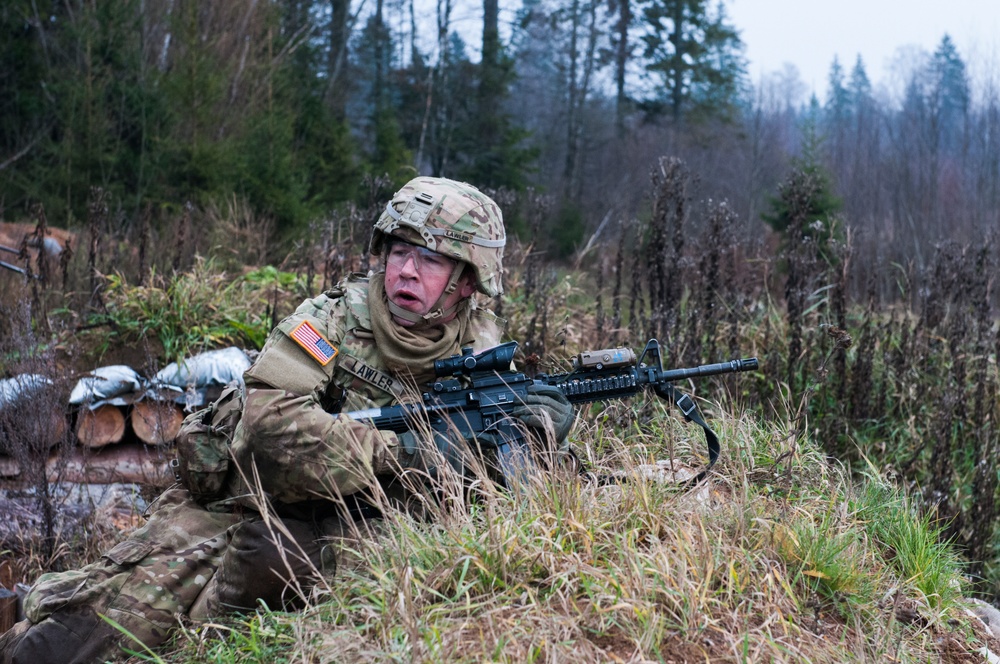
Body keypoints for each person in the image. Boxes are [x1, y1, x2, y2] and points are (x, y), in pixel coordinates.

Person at [0, 176, 574, 664]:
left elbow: (490, 443)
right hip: (242, 499)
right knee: (92, 630)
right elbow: (271, 422)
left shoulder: (480, 338)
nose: (405, 270)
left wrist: (534, 425)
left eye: (429, 259)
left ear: (468, 280)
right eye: (398, 251)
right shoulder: (330, 320)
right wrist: (408, 454)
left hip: (342, 525)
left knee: (207, 625)